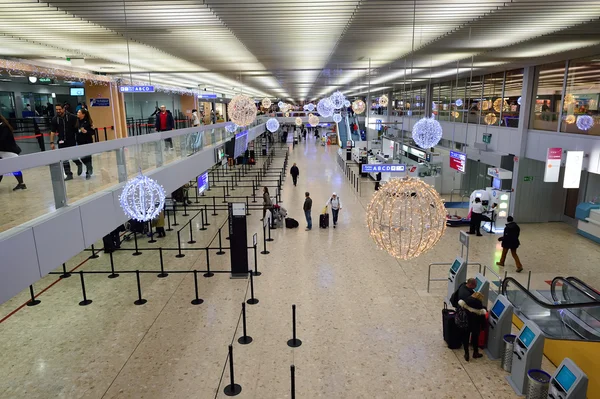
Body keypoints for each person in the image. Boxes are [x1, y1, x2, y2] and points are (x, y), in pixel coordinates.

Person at [50, 104, 83, 180]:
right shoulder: (55, 119)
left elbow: (79, 124)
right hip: (61, 141)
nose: (58, 111)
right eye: (57, 109)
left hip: (71, 140)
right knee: (64, 158)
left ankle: (78, 163)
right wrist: (51, 142)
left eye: (60, 109)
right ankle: (68, 174)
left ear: (63, 109)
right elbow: (52, 131)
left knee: (72, 155)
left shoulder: (71, 117)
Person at [458, 292, 487, 361]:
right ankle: (475, 353)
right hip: (475, 324)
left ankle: (466, 354)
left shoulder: (466, 300)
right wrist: (483, 326)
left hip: (465, 323)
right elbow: (482, 316)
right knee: (475, 338)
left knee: (466, 338)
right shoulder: (478, 304)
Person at [0, 115, 27, 190]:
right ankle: (21, 183)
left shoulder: (4, 126)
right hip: (3, 151)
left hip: (9, 151)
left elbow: (2, 139)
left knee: (14, 168)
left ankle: (21, 183)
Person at [76, 108, 94, 179]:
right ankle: (89, 166)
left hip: (87, 141)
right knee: (81, 156)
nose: (77, 113)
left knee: (88, 157)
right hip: (79, 141)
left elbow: (92, 132)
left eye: (79, 112)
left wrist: (86, 132)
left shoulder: (89, 122)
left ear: (83, 114)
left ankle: (88, 172)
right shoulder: (76, 122)